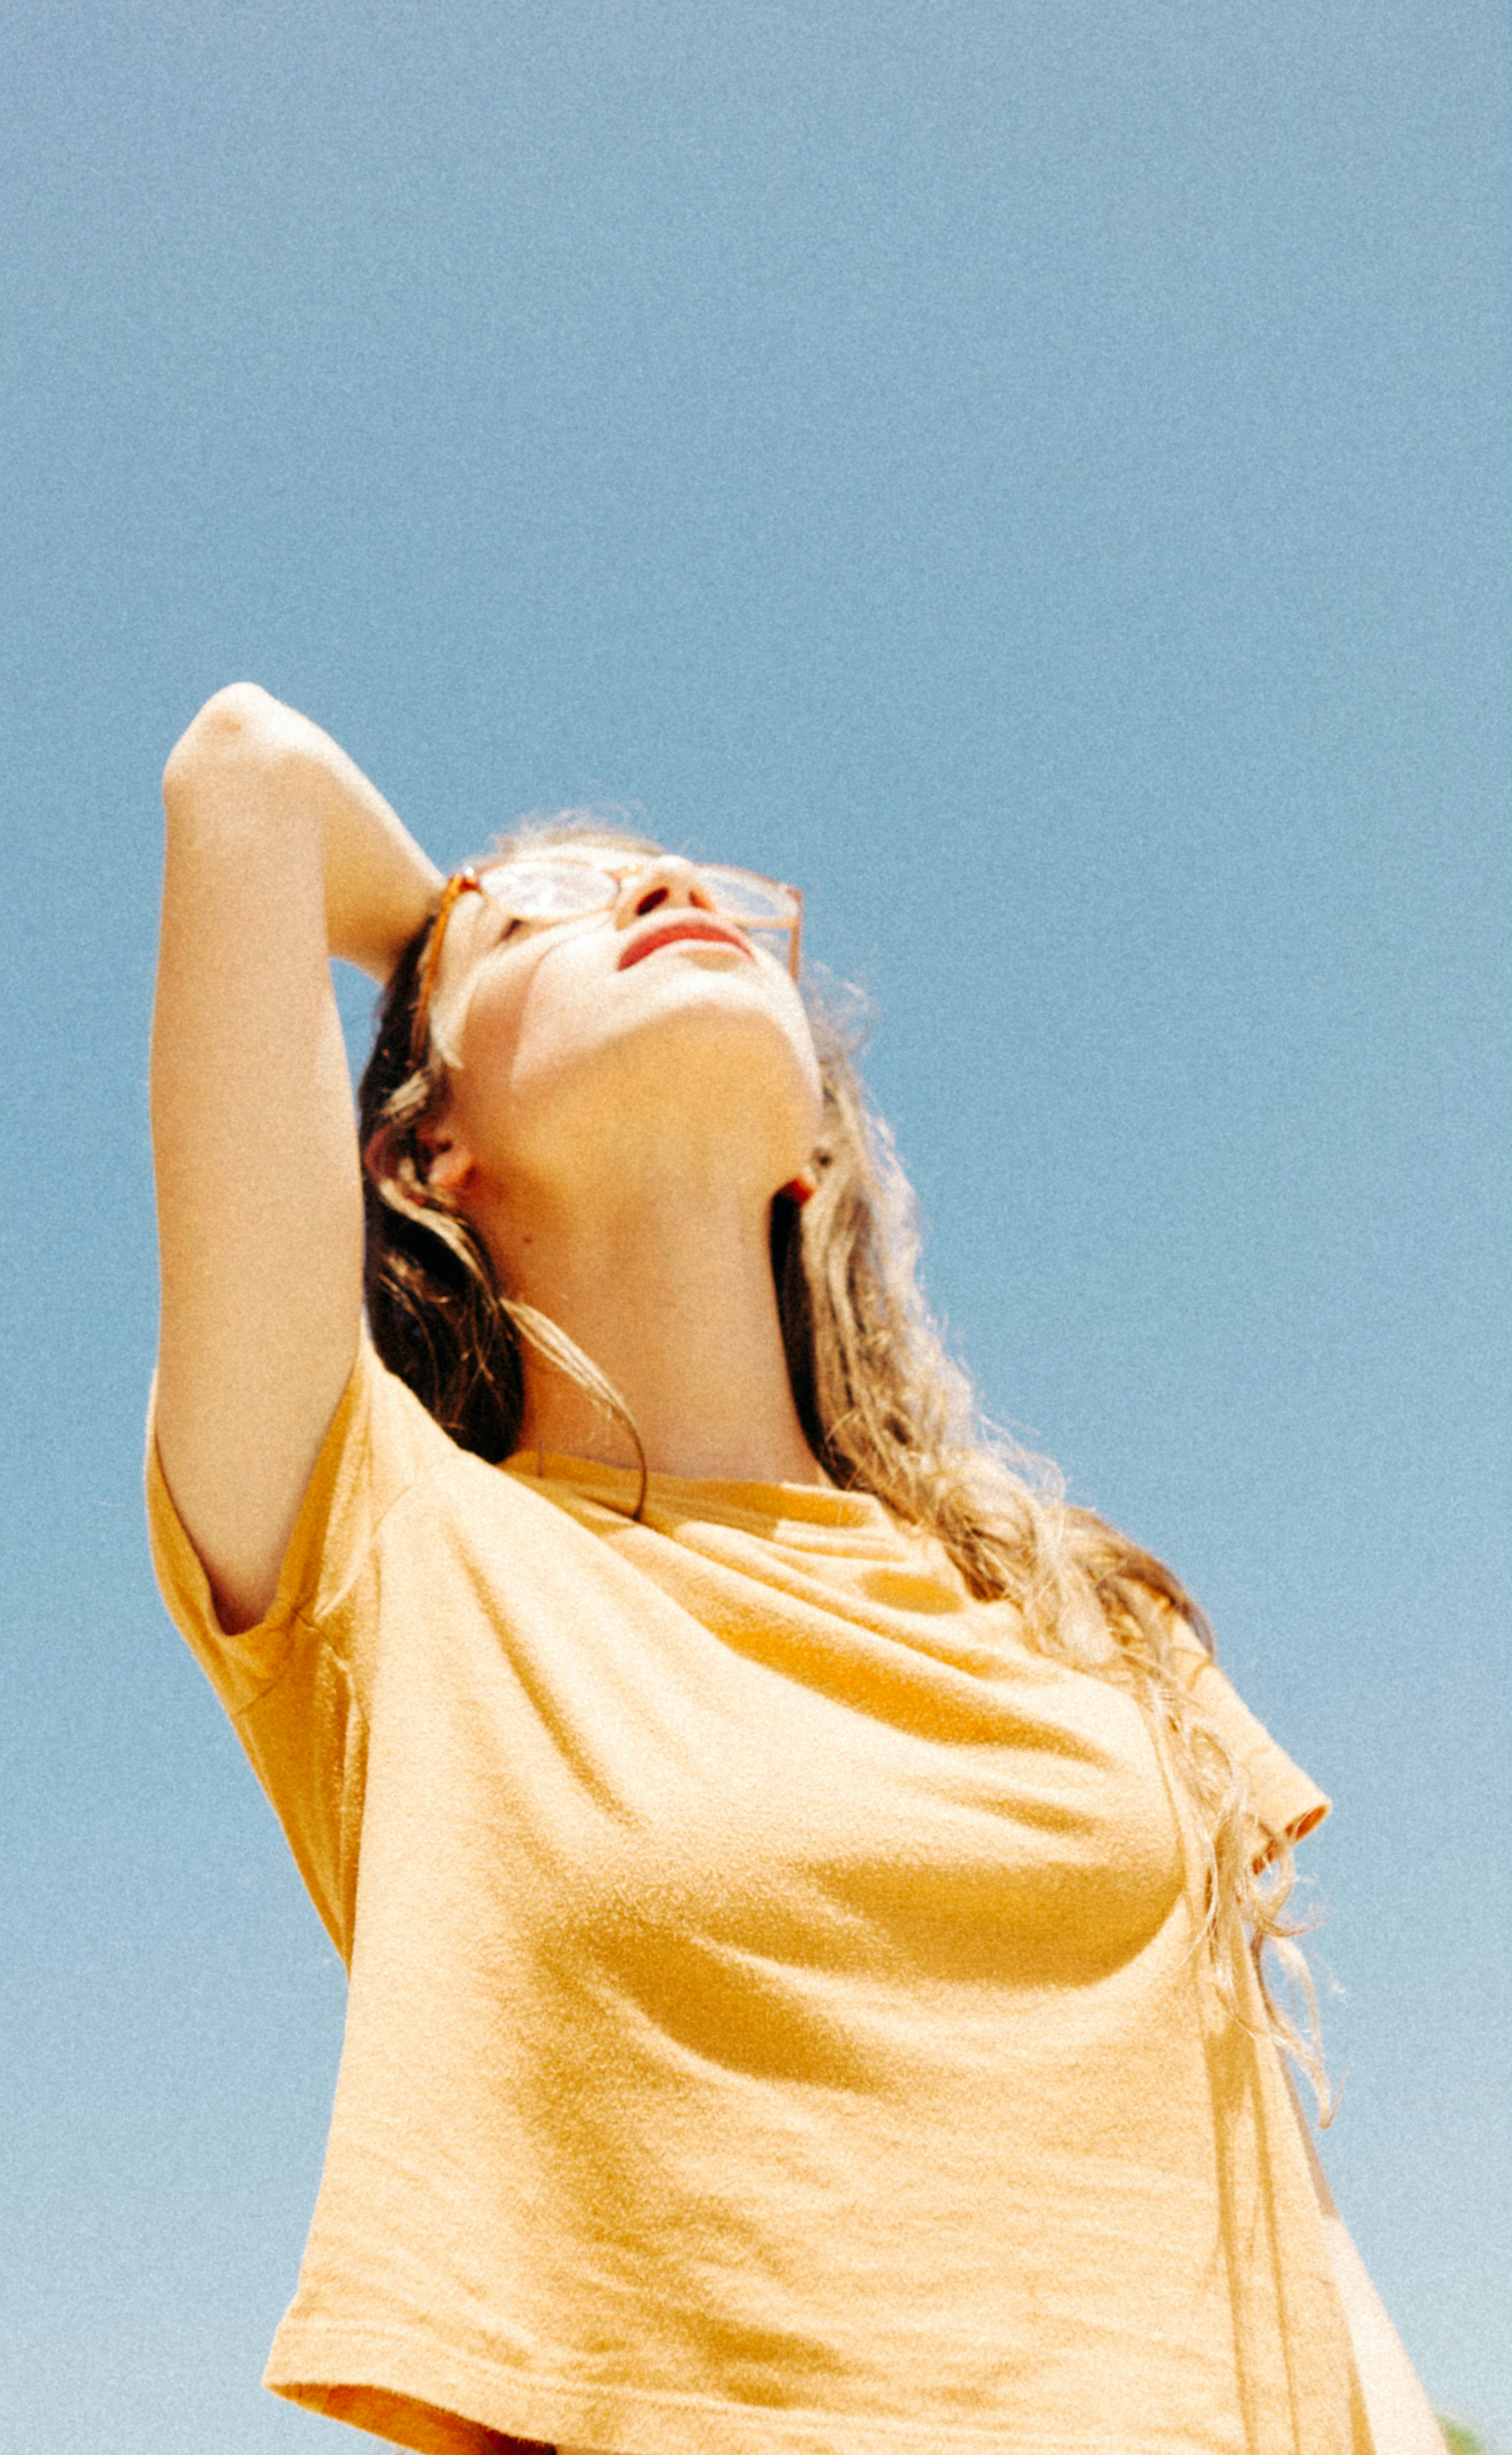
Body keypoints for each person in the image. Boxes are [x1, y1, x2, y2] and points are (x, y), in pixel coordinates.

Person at [147, 682, 1446, 2455]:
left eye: (696, 893)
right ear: (421, 1145)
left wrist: (532, 936)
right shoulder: (387, 1552)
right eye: (556, 904)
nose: (665, 894)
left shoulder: (1076, 1616)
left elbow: (1288, 2234)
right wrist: (450, 921)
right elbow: (247, 771)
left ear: (816, 1146)